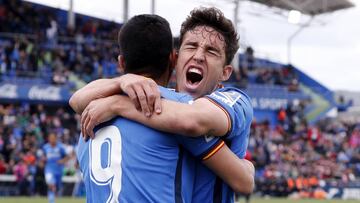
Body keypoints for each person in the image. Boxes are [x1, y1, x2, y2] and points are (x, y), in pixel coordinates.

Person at [71, 8, 254, 203]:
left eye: (211, 51)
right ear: (176, 58)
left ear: (226, 72)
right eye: (191, 46)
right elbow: (75, 100)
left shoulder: (234, 100)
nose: (199, 56)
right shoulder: (169, 107)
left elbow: (192, 119)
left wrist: (118, 104)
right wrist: (120, 83)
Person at [41, 133, 69, 203]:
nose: (52, 140)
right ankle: (51, 201)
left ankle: (53, 197)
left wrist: (62, 161)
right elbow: (42, 157)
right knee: (51, 184)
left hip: (58, 170)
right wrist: (42, 161)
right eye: (51, 138)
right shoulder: (45, 147)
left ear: (56, 139)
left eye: (53, 138)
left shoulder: (60, 147)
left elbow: (67, 157)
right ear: (49, 139)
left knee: (57, 187)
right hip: (49, 169)